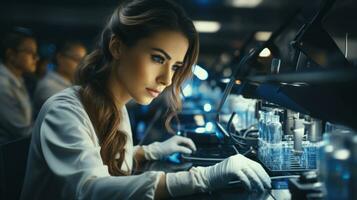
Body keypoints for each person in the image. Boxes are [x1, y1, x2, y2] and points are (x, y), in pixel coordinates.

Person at [20, 0, 271, 199]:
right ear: (117, 47)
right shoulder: (64, 111)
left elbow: (101, 159)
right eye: (158, 58)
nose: (166, 79)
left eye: (175, 67)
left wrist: (149, 151)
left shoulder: (115, 106)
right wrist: (202, 178)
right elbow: (92, 190)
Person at [0, 28, 38, 144]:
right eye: (31, 53)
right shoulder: (2, 85)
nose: (36, 58)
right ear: (11, 54)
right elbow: (22, 131)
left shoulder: (18, 79)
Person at [33, 41, 87, 115]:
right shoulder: (48, 86)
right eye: (76, 59)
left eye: (83, 61)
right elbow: (67, 115)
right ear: (60, 57)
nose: (81, 65)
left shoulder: (72, 83)